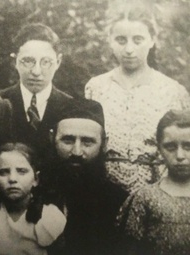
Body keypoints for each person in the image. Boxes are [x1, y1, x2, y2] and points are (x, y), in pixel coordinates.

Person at [84, 5, 190, 193]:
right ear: (110, 40)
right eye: (121, 40)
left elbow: (189, 149)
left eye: (138, 40)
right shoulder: (96, 87)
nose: (129, 49)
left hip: (160, 192)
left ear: (152, 40)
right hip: (103, 194)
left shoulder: (172, 90)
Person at [0, 23, 101, 158]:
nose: (36, 71)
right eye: (28, 61)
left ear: (58, 62)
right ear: (14, 61)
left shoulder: (72, 108)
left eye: (46, 62)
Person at [117, 110, 190, 255]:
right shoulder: (145, 198)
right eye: (170, 147)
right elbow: (128, 249)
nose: (180, 156)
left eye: (188, 146)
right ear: (159, 149)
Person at [43, 100, 128, 255]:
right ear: (51, 138)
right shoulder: (32, 193)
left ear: (104, 144)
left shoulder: (118, 201)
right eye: (67, 140)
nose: (76, 151)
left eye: (87, 142)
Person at [0, 143, 66, 255]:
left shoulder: (50, 216)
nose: (12, 179)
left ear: (36, 179)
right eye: (3, 172)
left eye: (22, 171)